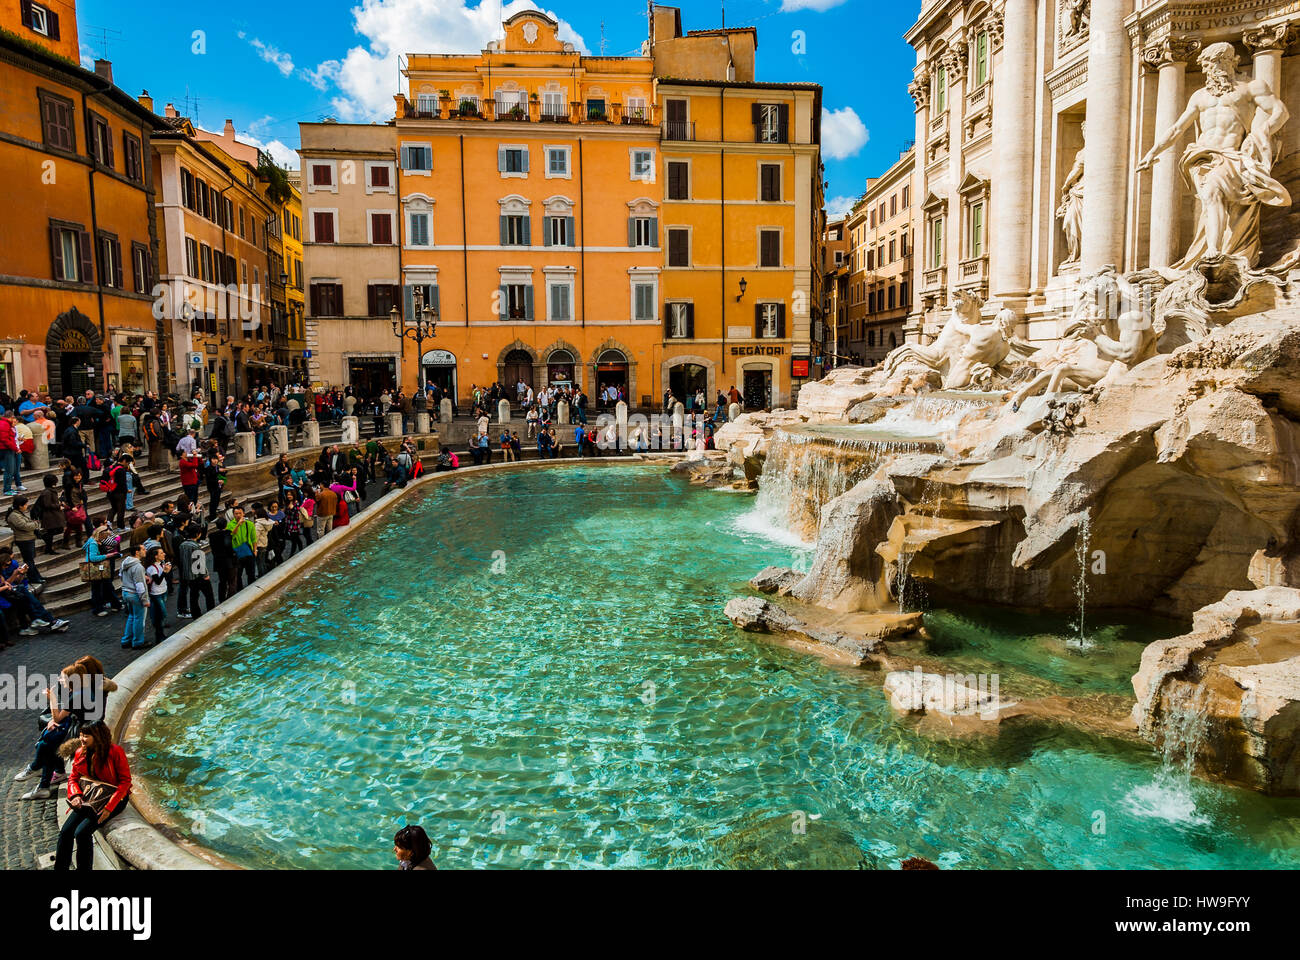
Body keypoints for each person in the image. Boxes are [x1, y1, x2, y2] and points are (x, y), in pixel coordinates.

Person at [55, 721, 131, 871]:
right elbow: (73, 778)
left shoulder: (116, 752)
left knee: (82, 833)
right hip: (89, 797)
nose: (82, 739)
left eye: (86, 736)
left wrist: (109, 808)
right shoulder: (80, 752)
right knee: (65, 832)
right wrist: (75, 795)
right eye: (81, 735)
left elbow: (125, 781)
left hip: (114, 799)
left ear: (98, 736)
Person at [119, 541, 149, 649]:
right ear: (137, 552)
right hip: (135, 595)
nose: (145, 551)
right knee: (139, 619)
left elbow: (121, 575)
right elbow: (140, 585)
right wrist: (145, 600)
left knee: (131, 617)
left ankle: (126, 640)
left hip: (126, 592)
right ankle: (137, 642)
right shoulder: (138, 567)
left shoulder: (125, 562)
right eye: (143, 549)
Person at [143, 546, 171, 645]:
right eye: (161, 553)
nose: (164, 554)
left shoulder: (160, 564)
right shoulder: (151, 568)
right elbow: (158, 581)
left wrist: (166, 571)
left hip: (163, 591)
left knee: (160, 615)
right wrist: (164, 572)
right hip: (156, 594)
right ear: (155, 556)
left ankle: (161, 634)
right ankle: (159, 636)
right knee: (162, 614)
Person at [227, 507, 258, 590]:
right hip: (237, 553)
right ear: (233, 515)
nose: (238, 515)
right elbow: (230, 536)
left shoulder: (249, 524)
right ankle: (240, 590)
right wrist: (238, 525)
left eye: (240, 513)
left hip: (248, 551)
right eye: (236, 514)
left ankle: (252, 589)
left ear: (243, 514)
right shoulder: (230, 525)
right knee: (238, 575)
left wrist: (255, 550)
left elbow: (254, 538)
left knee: (251, 573)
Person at [35, 474, 65, 556]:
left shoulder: (50, 491)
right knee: (52, 532)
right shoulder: (47, 492)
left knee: (53, 532)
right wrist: (58, 506)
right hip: (50, 516)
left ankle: (48, 548)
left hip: (53, 515)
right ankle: (48, 546)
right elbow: (47, 504)